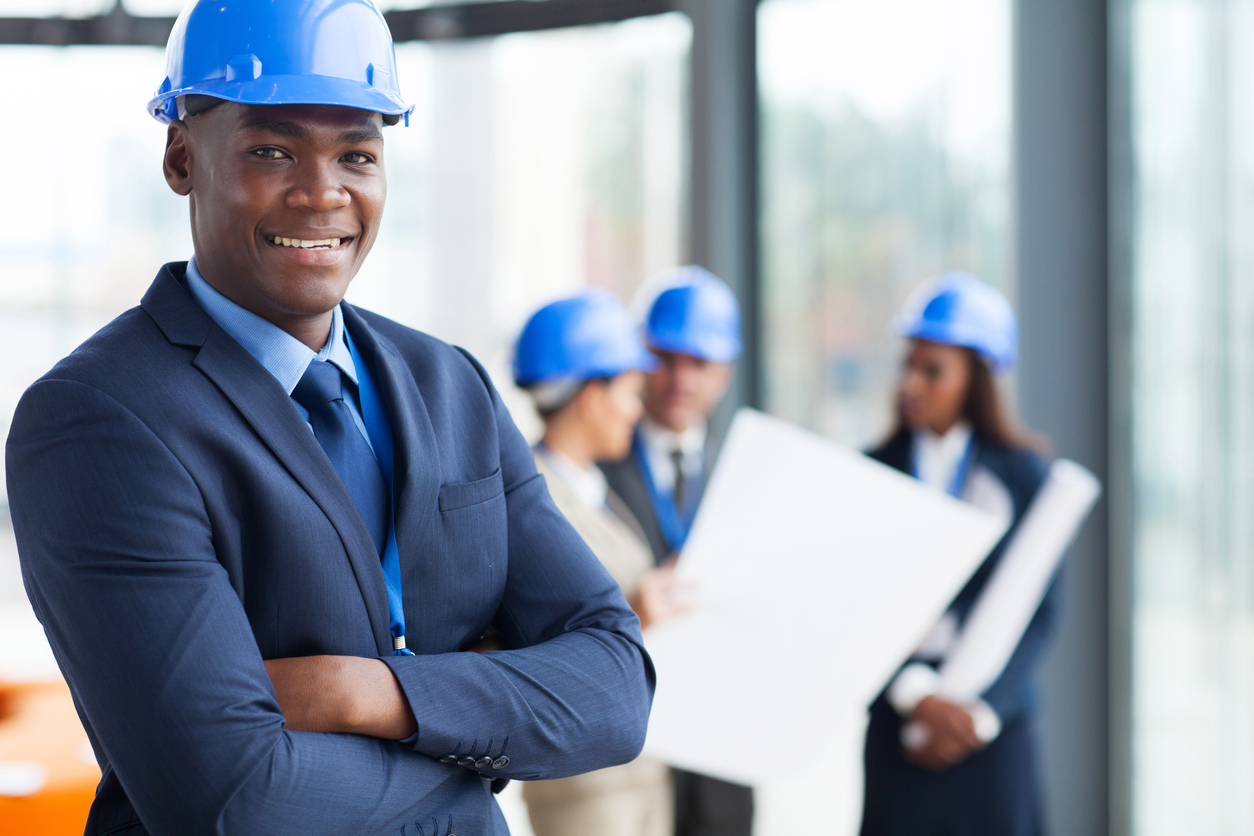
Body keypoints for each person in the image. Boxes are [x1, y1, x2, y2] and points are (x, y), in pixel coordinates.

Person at [5, 2, 654, 833]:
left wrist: (368, 693)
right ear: (181, 159)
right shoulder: (100, 419)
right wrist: (480, 742)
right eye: (271, 150)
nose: (322, 192)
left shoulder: (449, 385)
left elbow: (616, 689)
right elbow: (238, 797)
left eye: (357, 154)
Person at [860, 272, 1059, 836]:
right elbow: (850, 602)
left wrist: (979, 715)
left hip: (993, 736)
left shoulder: (1027, 477)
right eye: (908, 366)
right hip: (899, 726)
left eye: (933, 370)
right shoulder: (871, 471)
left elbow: (1043, 615)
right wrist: (915, 696)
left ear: (979, 377)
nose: (911, 384)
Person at [512, 290, 687, 836]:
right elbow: (525, 640)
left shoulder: (594, 489)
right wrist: (634, 613)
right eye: (630, 392)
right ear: (591, 395)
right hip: (586, 786)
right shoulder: (531, 498)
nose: (638, 409)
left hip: (639, 768)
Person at [600, 266, 753, 836]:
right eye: (666, 358)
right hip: (632, 745)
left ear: (726, 372)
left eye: (701, 363)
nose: (681, 379)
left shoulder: (749, 471)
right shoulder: (594, 466)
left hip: (724, 742)